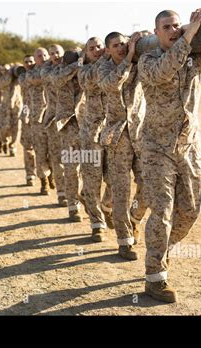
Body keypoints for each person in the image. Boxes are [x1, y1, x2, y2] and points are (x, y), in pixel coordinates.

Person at [137, 8, 201, 302]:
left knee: (192, 209)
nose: (174, 30)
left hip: (189, 146)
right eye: (166, 27)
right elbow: (164, 71)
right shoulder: (148, 61)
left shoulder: (196, 60)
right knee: (163, 211)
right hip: (157, 147)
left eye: (176, 25)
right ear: (156, 32)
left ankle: (160, 247)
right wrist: (190, 34)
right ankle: (154, 278)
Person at [97, 31, 148, 260]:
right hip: (117, 138)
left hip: (140, 135)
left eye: (124, 44)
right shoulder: (103, 69)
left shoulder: (138, 63)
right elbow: (114, 84)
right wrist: (128, 58)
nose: (121, 48)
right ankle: (124, 242)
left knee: (147, 185)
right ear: (107, 49)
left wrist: (144, 40)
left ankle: (134, 218)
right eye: (116, 45)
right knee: (121, 191)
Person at [77, 37, 114, 242]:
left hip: (112, 131)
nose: (97, 50)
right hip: (90, 134)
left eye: (100, 46)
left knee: (114, 179)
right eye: (92, 49)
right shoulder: (84, 71)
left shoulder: (112, 66)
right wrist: (106, 57)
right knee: (92, 182)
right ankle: (96, 223)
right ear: (86, 53)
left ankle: (107, 205)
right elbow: (90, 80)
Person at [51, 47, 85, 222]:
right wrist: (75, 65)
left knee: (90, 168)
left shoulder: (87, 69)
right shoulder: (57, 72)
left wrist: (83, 64)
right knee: (71, 169)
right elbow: (57, 81)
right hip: (68, 126)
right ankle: (73, 206)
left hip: (88, 126)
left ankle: (87, 198)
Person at [40, 45, 68, 206]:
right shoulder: (46, 70)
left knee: (74, 160)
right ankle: (62, 192)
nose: (55, 56)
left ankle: (75, 193)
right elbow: (59, 77)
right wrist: (76, 63)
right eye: (52, 54)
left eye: (58, 52)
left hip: (73, 121)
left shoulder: (72, 65)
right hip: (53, 121)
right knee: (58, 159)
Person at [25, 48, 52, 195]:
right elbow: (38, 80)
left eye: (45, 55)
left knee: (54, 152)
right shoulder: (30, 73)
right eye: (39, 56)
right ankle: (44, 181)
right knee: (40, 152)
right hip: (37, 119)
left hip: (53, 118)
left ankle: (52, 173)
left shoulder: (55, 69)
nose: (43, 58)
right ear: (35, 59)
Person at [18, 56, 37, 186]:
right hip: (26, 111)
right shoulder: (23, 77)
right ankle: (30, 174)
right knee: (28, 146)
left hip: (43, 114)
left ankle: (48, 174)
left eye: (31, 61)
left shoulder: (43, 71)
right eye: (26, 62)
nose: (29, 64)